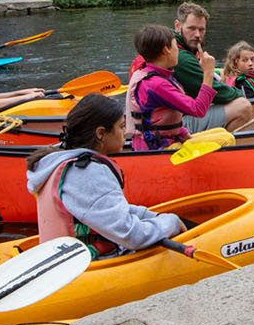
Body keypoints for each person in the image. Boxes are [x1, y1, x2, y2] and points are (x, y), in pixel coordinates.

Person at [26, 93, 184, 250]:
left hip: (62, 257)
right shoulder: (87, 173)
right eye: (121, 126)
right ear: (100, 133)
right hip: (89, 265)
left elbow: (106, 207)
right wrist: (172, 223)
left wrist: (152, 217)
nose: (126, 132)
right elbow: (132, 235)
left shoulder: (57, 160)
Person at [129, 25, 215, 151]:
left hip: (163, 140)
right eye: (175, 46)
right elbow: (199, 110)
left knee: (220, 132)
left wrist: (186, 135)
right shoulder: (157, 84)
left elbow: (161, 118)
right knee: (226, 139)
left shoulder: (153, 74)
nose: (178, 51)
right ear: (166, 50)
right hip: (158, 147)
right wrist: (208, 73)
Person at [169, 3, 252, 132]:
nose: (197, 34)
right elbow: (215, 92)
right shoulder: (182, 58)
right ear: (178, 26)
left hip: (174, 119)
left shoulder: (179, 47)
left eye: (201, 29)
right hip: (176, 126)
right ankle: (225, 149)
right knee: (243, 106)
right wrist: (239, 93)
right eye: (191, 28)